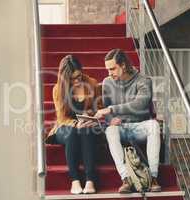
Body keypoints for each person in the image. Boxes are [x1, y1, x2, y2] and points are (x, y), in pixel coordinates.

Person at [94, 49, 161, 193]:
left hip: (139, 126)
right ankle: (126, 178)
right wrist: (111, 120)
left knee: (154, 126)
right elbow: (105, 109)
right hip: (121, 128)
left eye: (112, 68)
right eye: (107, 69)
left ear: (123, 65)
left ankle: (153, 177)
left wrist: (112, 110)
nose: (109, 73)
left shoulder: (144, 80)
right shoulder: (107, 82)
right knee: (110, 130)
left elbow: (140, 104)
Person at [46, 55, 102, 194]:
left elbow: (99, 108)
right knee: (73, 132)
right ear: (65, 79)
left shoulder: (92, 83)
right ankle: (75, 181)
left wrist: (90, 114)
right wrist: (76, 124)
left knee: (86, 130)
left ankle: (90, 180)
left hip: (86, 124)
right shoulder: (58, 90)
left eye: (79, 76)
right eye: (72, 79)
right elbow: (62, 117)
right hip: (65, 127)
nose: (77, 81)